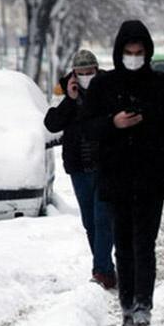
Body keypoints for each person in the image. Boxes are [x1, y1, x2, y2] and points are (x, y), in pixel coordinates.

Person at [82, 20, 164, 326]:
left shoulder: (163, 85)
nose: (133, 58)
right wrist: (113, 123)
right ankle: (127, 306)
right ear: (119, 52)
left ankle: (143, 306)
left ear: (147, 52)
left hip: (150, 178)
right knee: (123, 245)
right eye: (128, 52)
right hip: (116, 178)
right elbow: (87, 127)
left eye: (138, 52)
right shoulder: (103, 86)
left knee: (145, 244)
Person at [44, 49, 116, 290]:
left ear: (96, 70)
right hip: (79, 167)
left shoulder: (108, 86)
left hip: (106, 165)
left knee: (103, 218)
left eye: (89, 72)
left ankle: (101, 271)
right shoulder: (63, 90)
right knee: (90, 222)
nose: (86, 76)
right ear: (74, 73)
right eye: (81, 73)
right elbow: (51, 123)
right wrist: (70, 99)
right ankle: (106, 268)